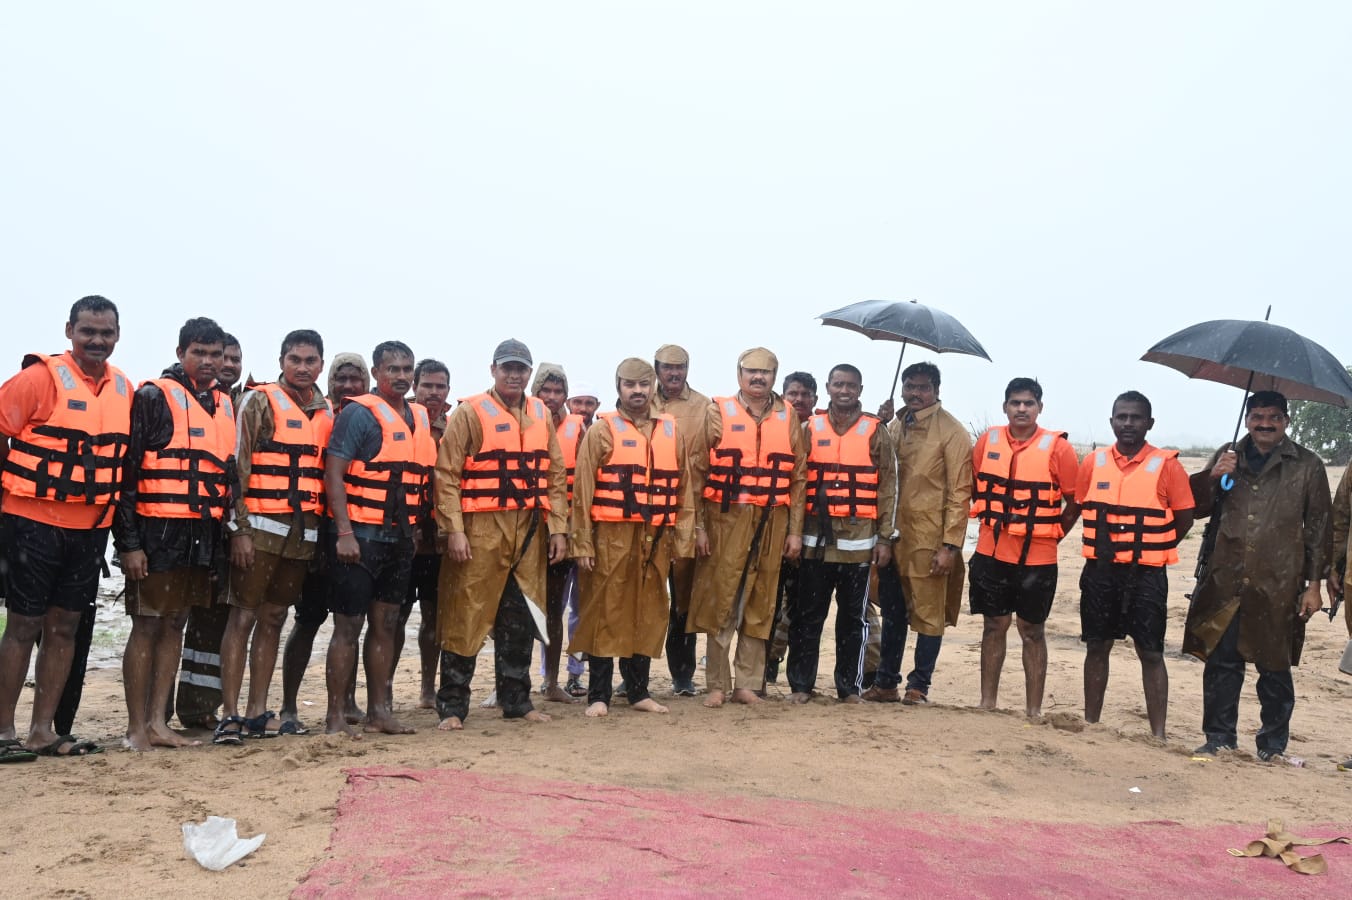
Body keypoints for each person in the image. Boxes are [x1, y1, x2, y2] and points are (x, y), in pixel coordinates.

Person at [0, 296, 130, 757]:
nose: (97, 341)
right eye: (88, 331)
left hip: (91, 526)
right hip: (32, 519)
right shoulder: (39, 378)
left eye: (106, 333)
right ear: (69, 330)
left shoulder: (124, 389)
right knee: (23, 624)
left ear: (117, 335)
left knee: (64, 627)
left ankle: (43, 731)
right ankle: (3, 733)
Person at [1185, 391, 1331, 761]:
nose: (1265, 423)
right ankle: (1219, 737)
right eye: (1258, 416)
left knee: (1275, 667)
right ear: (1247, 418)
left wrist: (1313, 586)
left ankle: (1272, 745)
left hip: (1279, 581)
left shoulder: (1307, 465)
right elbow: (1196, 508)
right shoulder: (1228, 454)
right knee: (1221, 663)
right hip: (1226, 578)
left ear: (1286, 420)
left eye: (1274, 417)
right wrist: (1213, 475)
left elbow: (1318, 529)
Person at [115, 317, 238, 750]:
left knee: (174, 625)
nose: (208, 362)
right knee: (146, 625)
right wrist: (128, 544)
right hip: (157, 532)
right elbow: (126, 477)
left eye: (215, 354)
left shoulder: (224, 404)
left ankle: (156, 722)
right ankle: (135, 728)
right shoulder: (153, 396)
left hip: (200, 534)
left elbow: (229, 477)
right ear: (181, 352)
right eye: (199, 353)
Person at [433, 338, 568, 730]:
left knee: (521, 616)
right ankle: (453, 706)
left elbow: (555, 476)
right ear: (493, 369)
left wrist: (558, 529)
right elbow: (447, 475)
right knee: (466, 613)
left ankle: (517, 700)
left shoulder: (541, 413)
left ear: (529, 373)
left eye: (521, 368)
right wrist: (454, 530)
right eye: (507, 367)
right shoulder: (470, 413)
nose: (514, 374)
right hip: (480, 529)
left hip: (528, 530)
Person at [214, 330, 331, 743]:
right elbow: (235, 469)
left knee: (274, 618)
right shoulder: (259, 400)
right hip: (257, 531)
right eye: (295, 359)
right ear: (282, 361)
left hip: (301, 535)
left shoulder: (324, 411)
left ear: (321, 363)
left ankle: (258, 711)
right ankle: (229, 715)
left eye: (311, 360)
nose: (303, 367)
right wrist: (238, 530)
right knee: (242, 616)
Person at [1058, 392, 1194, 739]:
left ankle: (1159, 734)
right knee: (1097, 645)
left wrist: (1156, 547)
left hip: (1147, 573)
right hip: (1101, 571)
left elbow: (1184, 518)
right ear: (1112, 422)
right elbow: (1078, 504)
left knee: (1150, 651)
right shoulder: (1093, 462)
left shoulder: (1167, 465)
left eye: (1136, 417)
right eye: (1121, 417)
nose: (1128, 423)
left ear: (1150, 423)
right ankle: (1091, 723)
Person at [570, 358, 694, 716]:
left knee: (649, 611)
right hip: (611, 534)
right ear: (619, 387)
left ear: (652, 387)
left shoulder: (671, 431)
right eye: (630, 385)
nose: (637, 391)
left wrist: (681, 540)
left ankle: (639, 691)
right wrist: (582, 542)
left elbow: (684, 490)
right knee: (605, 611)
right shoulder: (602, 431)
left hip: (656, 535)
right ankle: (598, 694)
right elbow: (582, 492)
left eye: (643, 385)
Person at [323, 341, 434, 737]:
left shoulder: (418, 416)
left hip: (399, 540)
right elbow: (333, 472)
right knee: (348, 626)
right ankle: (336, 716)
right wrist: (345, 533)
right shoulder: (358, 413)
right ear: (376, 372)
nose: (401, 376)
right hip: (360, 537)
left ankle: (379, 711)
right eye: (393, 369)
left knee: (386, 623)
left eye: (407, 369)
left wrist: (415, 531)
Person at [689, 347, 807, 708]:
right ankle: (716, 684)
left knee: (761, 601)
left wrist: (795, 531)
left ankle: (748, 683)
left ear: (775, 376)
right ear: (738, 373)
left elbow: (798, 477)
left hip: (772, 519)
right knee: (721, 599)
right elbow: (696, 472)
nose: (758, 378)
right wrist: (699, 528)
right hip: (726, 519)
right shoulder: (716, 412)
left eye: (766, 372)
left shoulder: (787, 416)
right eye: (751, 371)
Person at [969, 377, 1078, 718]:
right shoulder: (987, 441)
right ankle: (988, 702)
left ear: (1039, 408)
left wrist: (1056, 532)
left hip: (1039, 556)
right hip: (991, 550)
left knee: (1032, 630)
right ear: (1005, 407)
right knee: (993, 625)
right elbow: (976, 487)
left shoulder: (1058, 448)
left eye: (1028, 403)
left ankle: (1033, 709)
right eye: (1015, 403)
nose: (1021, 409)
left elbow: (1074, 500)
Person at [787, 364, 896, 703]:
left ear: (860, 389)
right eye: (838, 384)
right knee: (807, 616)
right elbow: (796, 482)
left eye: (850, 385)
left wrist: (884, 538)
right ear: (829, 388)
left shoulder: (876, 431)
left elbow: (890, 487)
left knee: (853, 620)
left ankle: (849, 687)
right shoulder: (809, 428)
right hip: (814, 541)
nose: (844, 390)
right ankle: (801, 686)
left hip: (859, 543)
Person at [864, 363, 972, 705]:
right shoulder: (895, 424)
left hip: (930, 539)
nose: (914, 393)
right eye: (909, 386)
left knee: (929, 615)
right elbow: (879, 469)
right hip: (893, 537)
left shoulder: (952, 432)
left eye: (922, 388)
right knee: (893, 612)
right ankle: (885, 683)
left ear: (936, 390)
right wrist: (877, 426)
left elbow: (960, 492)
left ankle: (918, 686)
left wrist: (950, 546)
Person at [278, 353, 369, 729]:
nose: (348, 386)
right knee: (308, 620)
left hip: (356, 535)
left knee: (351, 623)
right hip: (317, 534)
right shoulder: (320, 416)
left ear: (366, 383)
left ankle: (346, 702)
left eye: (355, 379)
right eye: (341, 378)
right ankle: (288, 707)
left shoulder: (369, 419)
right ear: (330, 381)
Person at [172, 331, 245, 729]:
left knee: (211, 623)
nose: (227, 364)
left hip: (221, 534)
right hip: (178, 530)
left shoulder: (233, 406)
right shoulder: (172, 397)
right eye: (222, 357)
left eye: (234, 358)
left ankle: (199, 709)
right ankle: (158, 711)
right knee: (172, 620)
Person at [651, 343, 710, 696]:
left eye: (680, 368)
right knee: (644, 596)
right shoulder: (641, 402)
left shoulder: (704, 407)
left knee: (684, 601)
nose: (674, 374)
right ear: (656, 369)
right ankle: (634, 673)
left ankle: (683, 675)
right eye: (667, 368)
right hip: (648, 514)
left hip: (690, 515)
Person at [530, 363, 585, 702]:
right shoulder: (524, 422)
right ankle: (508, 681)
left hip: (560, 529)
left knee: (554, 609)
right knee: (516, 608)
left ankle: (552, 684)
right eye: (545, 391)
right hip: (523, 527)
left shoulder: (578, 429)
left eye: (558, 392)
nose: (551, 398)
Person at [766, 371, 817, 684]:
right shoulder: (773, 429)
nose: (798, 400)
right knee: (769, 602)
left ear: (815, 399)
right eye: (792, 394)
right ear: (782, 396)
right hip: (774, 528)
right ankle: (767, 663)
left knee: (801, 604)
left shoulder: (820, 430)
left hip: (811, 531)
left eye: (804, 395)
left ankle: (795, 671)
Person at [405, 358, 450, 709]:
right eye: (427, 386)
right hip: (402, 538)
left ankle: (427, 690)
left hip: (439, 540)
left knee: (435, 620)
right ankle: (384, 690)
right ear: (415, 386)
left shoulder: (452, 427)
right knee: (390, 619)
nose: (433, 392)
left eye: (440, 386)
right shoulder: (400, 422)